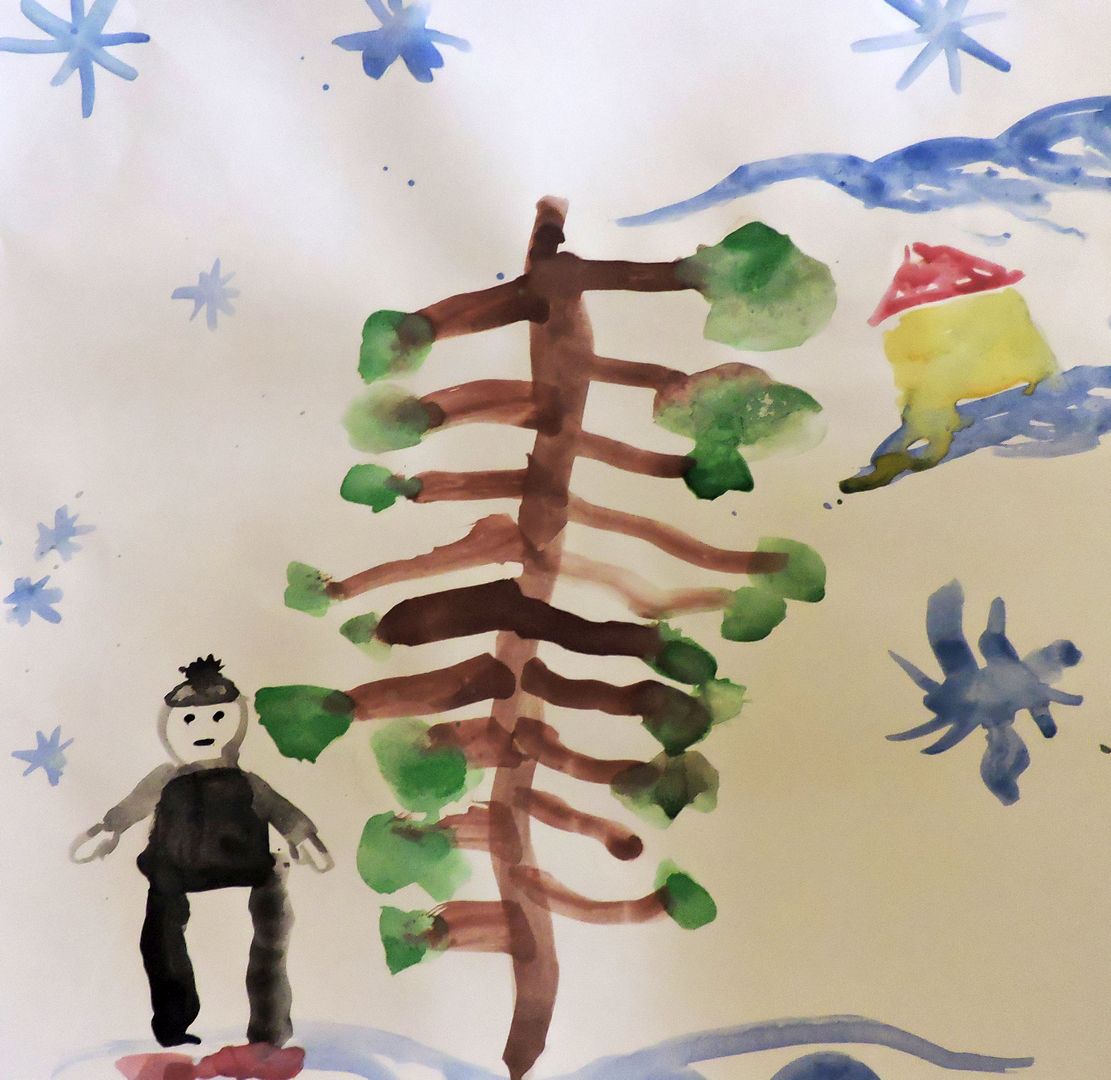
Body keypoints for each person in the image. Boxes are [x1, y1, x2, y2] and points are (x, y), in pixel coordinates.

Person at [70, 655, 332, 1048]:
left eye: (218, 717)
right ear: (170, 727)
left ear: (236, 723)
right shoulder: (165, 778)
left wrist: (304, 837)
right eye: (190, 719)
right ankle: (173, 1023)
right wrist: (108, 829)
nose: (204, 729)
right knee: (160, 938)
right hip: (175, 871)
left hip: (249, 867)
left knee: (273, 930)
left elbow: (279, 809)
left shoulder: (248, 781)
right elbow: (133, 805)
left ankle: (270, 1028)